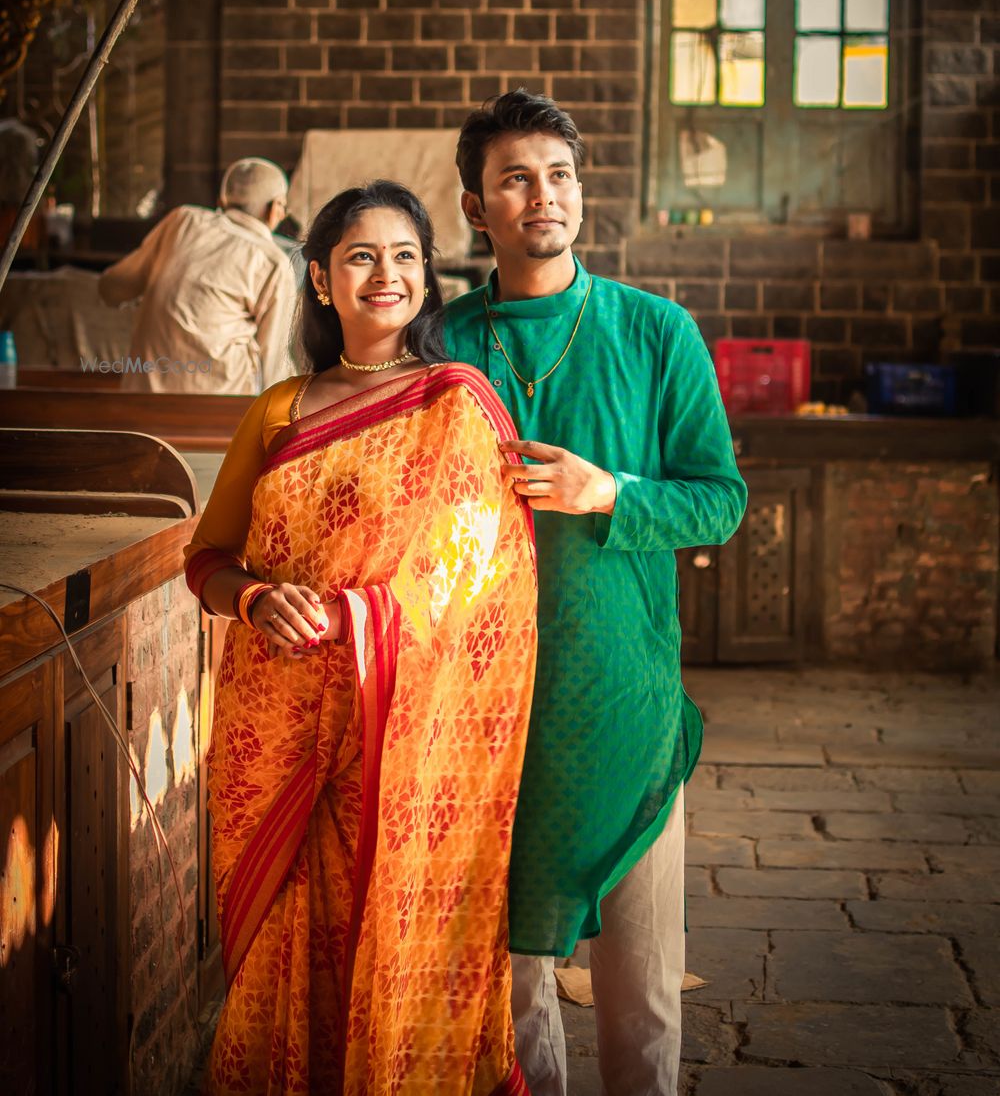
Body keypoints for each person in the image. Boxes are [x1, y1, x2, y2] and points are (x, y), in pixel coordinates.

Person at [184, 180, 537, 1095]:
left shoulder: (455, 403)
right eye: (361, 256)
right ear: (319, 278)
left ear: (428, 276)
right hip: (280, 725)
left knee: (395, 928)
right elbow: (209, 558)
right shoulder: (278, 409)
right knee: (281, 940)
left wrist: (353, 617)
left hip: (405, 738)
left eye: (406, 255)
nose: (387, 274)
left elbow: (476, 572)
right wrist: (255, 599)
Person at [443, 91, 748, 1096]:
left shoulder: (655, 332)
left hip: (623, 703)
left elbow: (720, 501)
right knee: (507, 984)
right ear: (475, 209)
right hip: (482, 716)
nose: (544, 195)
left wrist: (608, 491)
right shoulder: (440, 348)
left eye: (560, 174)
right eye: (516, 178)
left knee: (644, 980)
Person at [98, 157, 295, 393]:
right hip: (219, 410)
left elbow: (111, 288)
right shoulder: (273, 261)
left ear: (221, 200)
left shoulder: (183, 220)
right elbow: (274, 365)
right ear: (274, 209)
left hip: (142, 398)